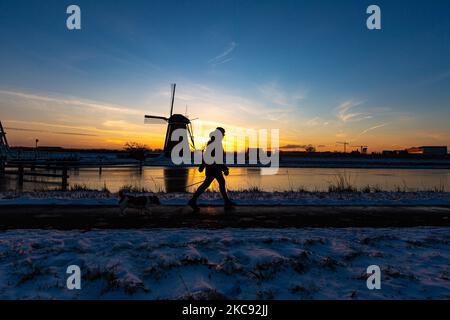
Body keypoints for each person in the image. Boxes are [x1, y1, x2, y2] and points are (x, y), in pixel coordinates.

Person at [188, 127, 236, 211]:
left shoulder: (213, 143)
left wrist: (202, 165)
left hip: (213, 168)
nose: (223, 135)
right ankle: (193, 201)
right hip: (214, 169)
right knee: (215, 183)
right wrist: (224, 168)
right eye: (222, 133)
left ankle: (226, 202)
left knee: (212, 184)